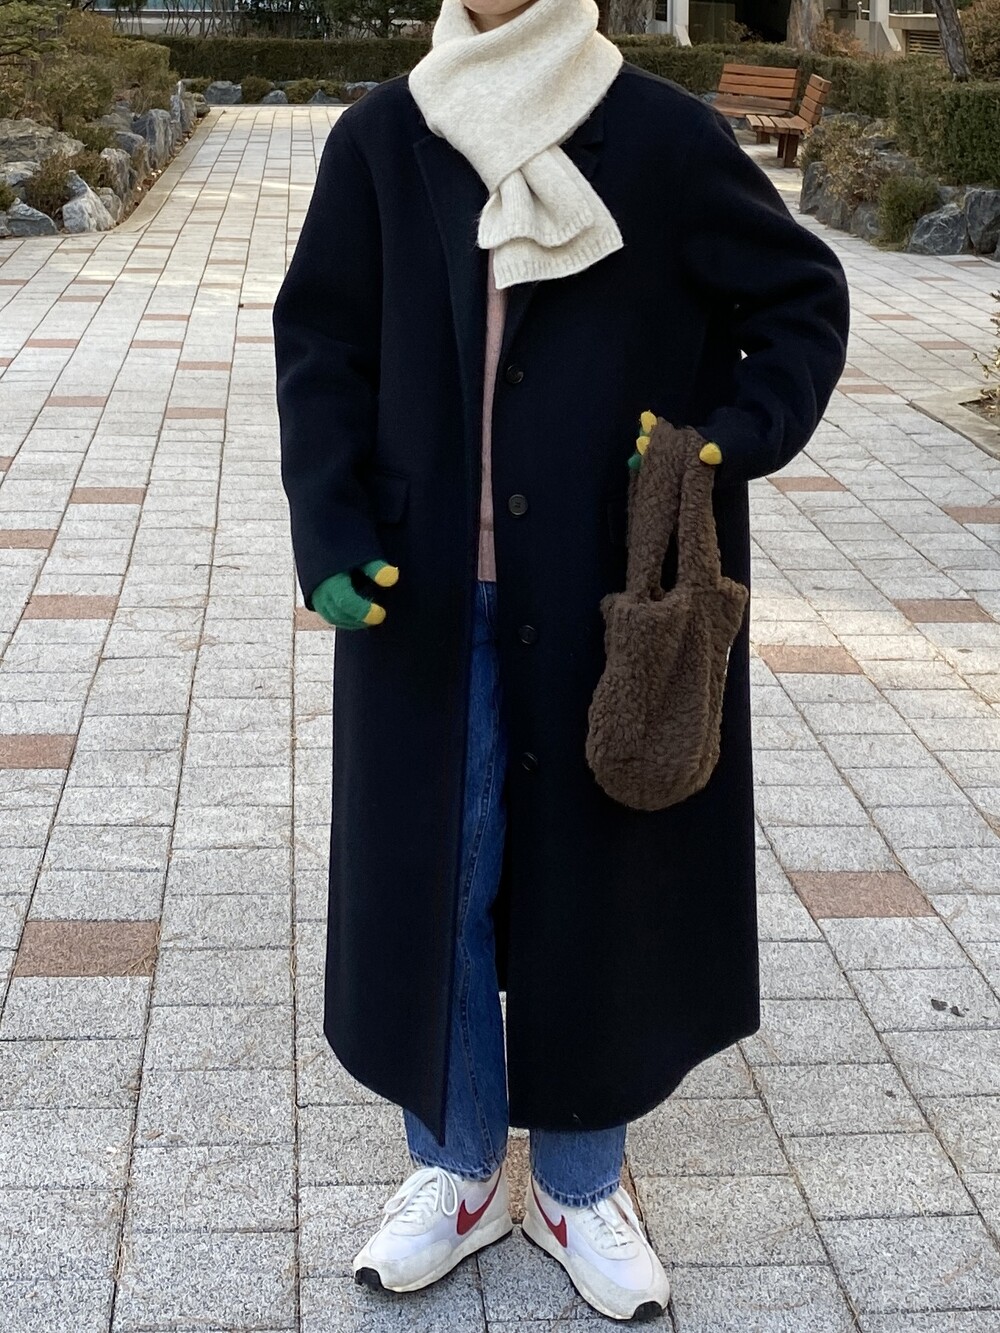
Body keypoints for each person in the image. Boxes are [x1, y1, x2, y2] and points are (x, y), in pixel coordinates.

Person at [273, 0, 850, 1321]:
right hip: (424, 602)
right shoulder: (385, 139)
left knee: (597, 881)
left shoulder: (661, 137)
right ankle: (461, 1167)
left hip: (608, 593)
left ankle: (583, 1184)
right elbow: (323, 344)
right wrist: (331, 526)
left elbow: (800, 299)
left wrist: (726, 439)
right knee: (441, 879)